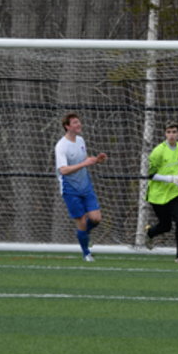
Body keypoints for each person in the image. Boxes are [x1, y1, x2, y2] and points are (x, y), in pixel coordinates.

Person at [55, 112, 107, 262]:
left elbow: (84, 160)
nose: (79, 125)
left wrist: (96, 160)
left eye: (79, 122)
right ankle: (86, 253)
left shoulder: (80, 140)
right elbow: (63, 170)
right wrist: (85, 164)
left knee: (96, 219)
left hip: (85, 186)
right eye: (75, 123)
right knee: (82, 221)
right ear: (67, 127)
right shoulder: (61, 146)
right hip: (70, 189)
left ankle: (83, 234)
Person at [145, 121, 178, 264]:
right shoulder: (158, 151)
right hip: (157, 194)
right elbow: (151, 175)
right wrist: (171, 178)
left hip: (174, 193)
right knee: (166, 226)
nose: (171, 135)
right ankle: (150, 233)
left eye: (174, 132)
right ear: (165, 134)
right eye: (168, 132)